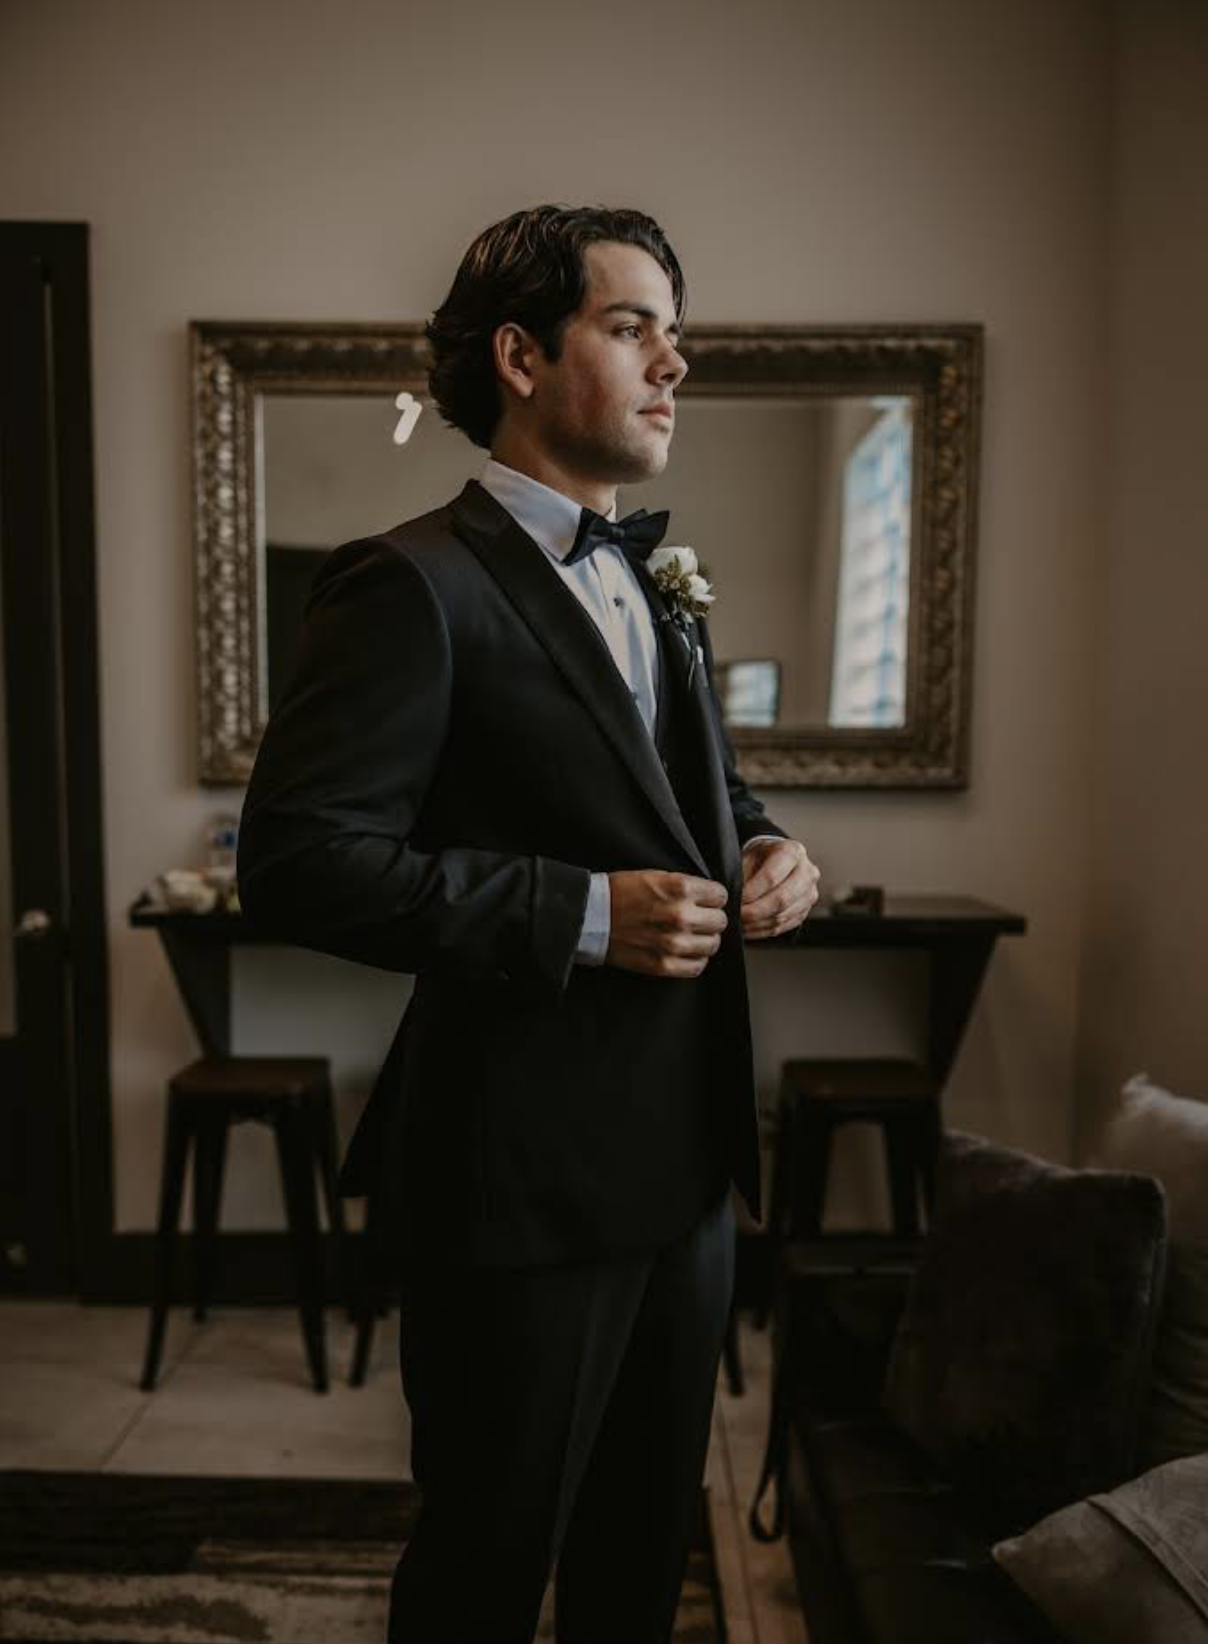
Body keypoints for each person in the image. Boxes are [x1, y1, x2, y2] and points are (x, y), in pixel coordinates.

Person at [237, 202, 820, 1644]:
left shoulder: (661, 588)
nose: (673, 366)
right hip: (515, 1187)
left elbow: (703, 793)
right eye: (633, 329)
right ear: (519, 354)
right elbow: (301, 858)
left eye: (676, 337)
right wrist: (576, 914)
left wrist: (768, 846)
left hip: (685, 1170)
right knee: (486, 1572)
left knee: (640, 1564)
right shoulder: (409, 582)